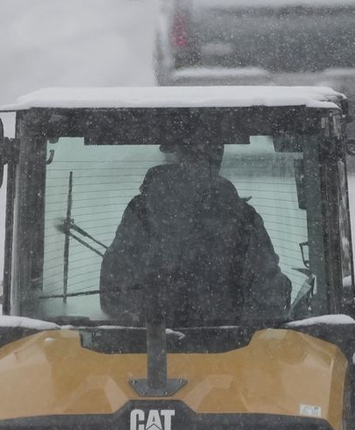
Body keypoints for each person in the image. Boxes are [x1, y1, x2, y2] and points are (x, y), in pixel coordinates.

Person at [98, 139, 291, 326]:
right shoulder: (242, 218)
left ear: (173, 156)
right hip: (232, 350)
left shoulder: (140, 212)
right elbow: (269, 295)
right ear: (215, 161)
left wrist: (151, 325)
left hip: (145, 349)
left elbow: (115, 290)